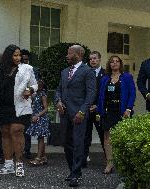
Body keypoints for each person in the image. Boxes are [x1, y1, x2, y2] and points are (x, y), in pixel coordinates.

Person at [0, 44, 37, 177]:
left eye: (19, 55)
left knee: (16, 130)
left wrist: (31, 90)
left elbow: (35, 84)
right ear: (8, 56)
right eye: (15, 55)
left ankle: (19, 163)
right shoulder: (0, 70)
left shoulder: (27, 68)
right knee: (5, 133)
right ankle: (8, 164)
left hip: (21, 105)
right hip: (4, 106)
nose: (18, 58)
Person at [55, 45, 96, 187]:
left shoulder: (88, 71)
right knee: (66, 143)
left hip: (79, 114)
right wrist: (58, 101)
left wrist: (82, 111)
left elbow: (91, 94)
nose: (66, 55)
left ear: (78, 54)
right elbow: (58, 90)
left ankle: (76, 174)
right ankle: (72, 171)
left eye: (69, 53)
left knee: (78, 144)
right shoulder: (64, 71)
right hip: (64, 114)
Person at [97, 55, 136, 174]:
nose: (114, 63)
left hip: (122, 110)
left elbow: (132, 94)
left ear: (120, 64)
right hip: (108, 111)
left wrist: (128, 109)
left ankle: (123, 163)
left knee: (122, 138)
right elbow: (100, 96)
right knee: (107, 138)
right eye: (112, 62)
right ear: (109, 64)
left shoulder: (127, 77)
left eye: (117, 61)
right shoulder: (105, 78)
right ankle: (109, 163)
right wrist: (99, 111)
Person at [83, 51, 105, 168]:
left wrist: (98, 105)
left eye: (95, 58)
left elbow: (106, 93)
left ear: (99, 59)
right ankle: (83, 159)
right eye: (91, 59)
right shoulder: (85, 73)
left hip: (100, 110)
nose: (92, 60)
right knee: (86, 135)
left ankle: (108, 159)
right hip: (87, 109)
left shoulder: (105, 74)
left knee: (103, 135)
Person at [26, 79, 50, 165]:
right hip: (35, 117)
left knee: (40, 137)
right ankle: (43, 157)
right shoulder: (35, 94)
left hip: (41, 118)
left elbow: (46, 108)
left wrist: (37, 115)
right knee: (40, 137)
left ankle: (38, 158)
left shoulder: (43, 94)